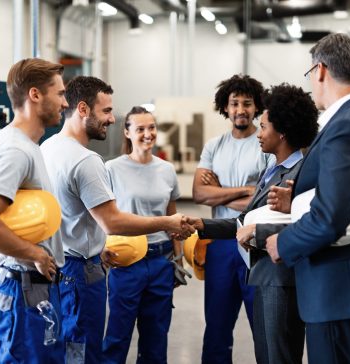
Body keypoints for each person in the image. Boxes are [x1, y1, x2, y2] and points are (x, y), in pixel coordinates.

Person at [265, 33, 350, 363]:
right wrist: (297, 201)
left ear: (321, 70)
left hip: (339, 293)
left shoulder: (345, 127)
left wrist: (282, 244)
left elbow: (330, 218)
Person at [40, 76, 193, 364]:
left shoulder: (48, 148)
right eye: (106, 111)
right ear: (83, 109)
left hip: (61, 263)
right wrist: (167, 223)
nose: (111, 118)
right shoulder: (88, 161)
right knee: (87, 349)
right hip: (81, 272)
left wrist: (98, 247)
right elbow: (112, 222)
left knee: (71, 346)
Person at [188, 83, 318, 364]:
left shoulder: (301, 173)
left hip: (279, 276)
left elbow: (309, 224)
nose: (259, 133)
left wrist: (228, 199)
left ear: (281, 131)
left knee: (277, 352)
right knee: (259, 348)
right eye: (234, 103)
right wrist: (202, 222)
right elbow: (240, 216)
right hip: (257, 266)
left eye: (264, 126)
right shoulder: (272, 169)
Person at [0, 58, 68, 363]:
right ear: (35, 95)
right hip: (23, 292)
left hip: (30, 291)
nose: (65, 102)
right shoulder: (15, 151)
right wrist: (35, 254)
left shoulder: (28, 146)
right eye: (60, 94)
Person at [192, 74, 272, 363]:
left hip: (254, 243)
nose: (240, 109)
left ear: (256, 107)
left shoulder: (265, 142)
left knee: (262, 326)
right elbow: (200, 194)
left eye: (247, 104)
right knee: (216, 326)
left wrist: (220, 191)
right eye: (234, 103)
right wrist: (246, 189)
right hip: (220, 243)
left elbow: (265, 199)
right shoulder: (215, 145)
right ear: (225, 107)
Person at [102, 106, 187, 363]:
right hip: (126, 263)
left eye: (151, 128)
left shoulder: (166, 170)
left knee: (156, 338)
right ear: (127, 132)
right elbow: (100, 217)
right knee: (117, 337)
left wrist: (178, 260)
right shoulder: (111, 169)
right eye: (140, 129)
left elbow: (173, 219)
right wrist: (100, 250)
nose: (148, 134)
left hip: (161, 261)